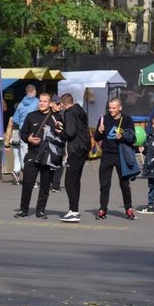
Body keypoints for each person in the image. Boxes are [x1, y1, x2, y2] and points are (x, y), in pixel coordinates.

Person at [14, 93, 63, 219]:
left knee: (45, 185)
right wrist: (28, 139)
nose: (42, 103)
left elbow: (61, 135)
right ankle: (23, 210)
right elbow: (23, 133)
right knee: (27, 183)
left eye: (45, 101)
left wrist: (59, 130)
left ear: (50, 103)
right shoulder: (31, 116)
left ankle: (40, 211)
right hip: (32, 153)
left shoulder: (56, 117)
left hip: (47, 155)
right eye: (40, 101)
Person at [93, 97, 137, 220]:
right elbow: (96, 138)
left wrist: (122, 136)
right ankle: (102, 209)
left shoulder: (127, 119)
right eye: (109, 107)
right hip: (107, 155)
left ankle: (128, 209)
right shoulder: (104, 119)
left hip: (121, 156)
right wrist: (100, 131)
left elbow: (133, 138)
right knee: (104, 185)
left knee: (124, 185)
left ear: (120, 108)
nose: (111, 110)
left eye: (113, 108)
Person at [57, 92, 89, 223]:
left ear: (64, 104)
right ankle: (74, 209)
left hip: (75, 149)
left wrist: (60, 134)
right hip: (83, 148)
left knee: (69, 182)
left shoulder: (69, 112)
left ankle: (73, 210)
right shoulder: (79, 110)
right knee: (76, 181)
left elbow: (70, 133)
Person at [9, 85, 39, 186]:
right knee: (29, 156)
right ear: (34, 91)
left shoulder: (21, 104)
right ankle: (30, 180)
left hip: (20, 132)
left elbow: (15, 119)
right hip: (32, 132)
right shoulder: (37, 102)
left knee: (21, 155)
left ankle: (17, 171)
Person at [49, 95, 65, 193]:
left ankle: (55, 184)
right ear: (51, 104)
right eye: (57, 103)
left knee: (58, 163)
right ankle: (55, 184)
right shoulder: (48, 115)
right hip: (51, 142)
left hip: (59, 142)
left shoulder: (61, 115)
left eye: (61, 104)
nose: (60, 105)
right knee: (56, 163)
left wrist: (62, 127)